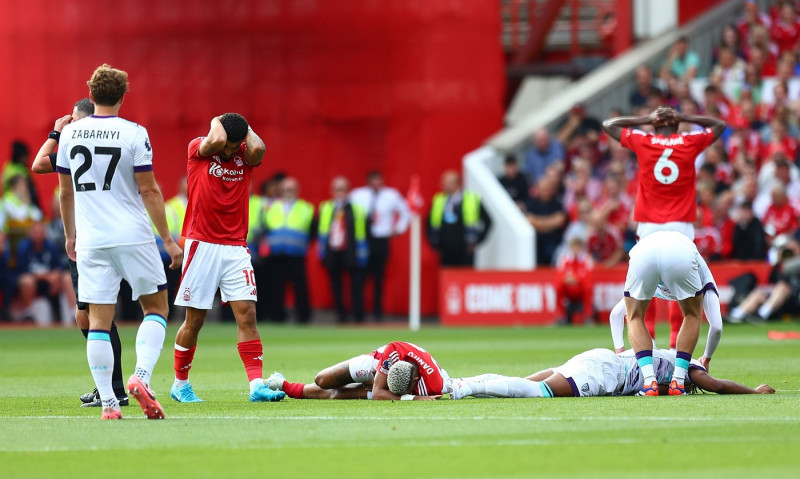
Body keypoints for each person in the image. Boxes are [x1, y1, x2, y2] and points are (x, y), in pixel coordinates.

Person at [57, 64, 183, 420]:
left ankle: (110, 404)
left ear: (91, 93)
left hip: (91, 239)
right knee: (157, 307)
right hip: (132, 235)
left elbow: (65, 192)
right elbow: (149, 189)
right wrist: (168, 240)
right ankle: (141, 376)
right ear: (123, 95)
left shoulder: (70, 134)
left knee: (98, 321)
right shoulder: (134, 133)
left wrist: (71, 236)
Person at [602, 106, 725, 396]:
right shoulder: (688, 141)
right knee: (688, 306)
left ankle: (648, 370)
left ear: (657, 126)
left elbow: (609, 124)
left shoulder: (644, 140)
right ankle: (677, 364)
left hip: (648, 231)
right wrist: (686, 119)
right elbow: (719, 125)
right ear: (676, 125)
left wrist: (647, 120)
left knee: (636, 308)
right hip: (681, 230)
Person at [171, 113, 284, 404]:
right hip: (202, 245)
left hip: (235, 246)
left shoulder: (246, 155)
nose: (232, 151)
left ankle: (256, 385)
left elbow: (259, 148)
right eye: (230, 147)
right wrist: (217, 120)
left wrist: (245, 126)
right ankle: (179, 384)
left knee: (247, 314)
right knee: (195, 320)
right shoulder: (199, 147)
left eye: (237, 146)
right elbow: (218, 139)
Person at [31, 98, 129, 407]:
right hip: (109, 233)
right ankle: (109, 386)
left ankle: (115, 389)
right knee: (85, 315)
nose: (68, 121)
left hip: (87, 238)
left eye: (73, 118)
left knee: (96, 316)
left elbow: (38, 164)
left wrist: (57, 132)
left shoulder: (76, 147)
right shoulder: (113, 142)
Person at [449, 348, 774, 399]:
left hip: (600, 357)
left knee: (524, 381)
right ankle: (464, 388)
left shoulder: (666, 356)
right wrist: (754, 392)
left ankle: (459, 383)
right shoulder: (690, 367)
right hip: (605, 372)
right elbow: (715, 385)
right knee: (537, 393)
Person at [608, 251, 723, 372]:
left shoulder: (651, 277)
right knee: (692, 316)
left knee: (635, 316)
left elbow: (616, 315)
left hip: (645, 254)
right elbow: (717, 327)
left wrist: (620, 355)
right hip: (661, 256)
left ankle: (650, 379)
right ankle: (677, 378)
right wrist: (706, 358)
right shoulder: (702, 280)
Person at [265, 341, 448, 400]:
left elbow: (460, 384)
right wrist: (414, 398)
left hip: (385, 380)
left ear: (416, 380)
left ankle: (285, 386)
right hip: (374, 364)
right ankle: (284, 384)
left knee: (337, 395)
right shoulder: (393, 352)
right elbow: (378, 393)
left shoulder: (436, 382)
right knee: (322, 380)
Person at [349, 171, 410, 322]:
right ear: (368, 181)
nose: (376, 184)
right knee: (359, 277)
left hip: (381, 240)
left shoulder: (391, 195)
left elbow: (406, 211)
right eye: (373, 181)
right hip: (362, 239)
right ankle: (359, 313)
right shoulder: (357, 195)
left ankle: (378, 312)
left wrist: (399, 228)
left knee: (379, 277)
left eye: (379, 181)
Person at [263, 177, 315, 323]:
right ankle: (277, 317)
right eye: (286, 189)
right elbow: (264, 228)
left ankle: (303, 318)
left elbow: (312, 231)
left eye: (291, 189)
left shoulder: (306, 208)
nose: (289, 192)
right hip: (276, 254)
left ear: (297, 191)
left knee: (300, 288)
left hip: (296, 254)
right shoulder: (270, 207)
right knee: (276, 288)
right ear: (281, 191)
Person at [318, 176, 368, 323]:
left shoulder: (357, 209)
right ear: (332, 191)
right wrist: (322, 251)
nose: (340, 193)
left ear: (348, 191)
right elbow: (322, 230)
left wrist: (362, 252)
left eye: (343, 189)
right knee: (336, 286)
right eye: (337, 189)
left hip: (351, 251)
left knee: (356, 285)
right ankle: (341, 315)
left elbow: (361, 232)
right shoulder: (326, 207)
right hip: (333, 251)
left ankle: (358, 316)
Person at [427, 170, 492, 267]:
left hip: (465, 251)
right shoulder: (439, 200)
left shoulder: (472, 199)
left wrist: (477, 242)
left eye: (447, 182)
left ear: (457, 183)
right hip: (445, 251)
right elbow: (429, 223)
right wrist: (434, 243)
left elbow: (488, 222)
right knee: (448, 280)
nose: (443, 185)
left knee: (464, 279)